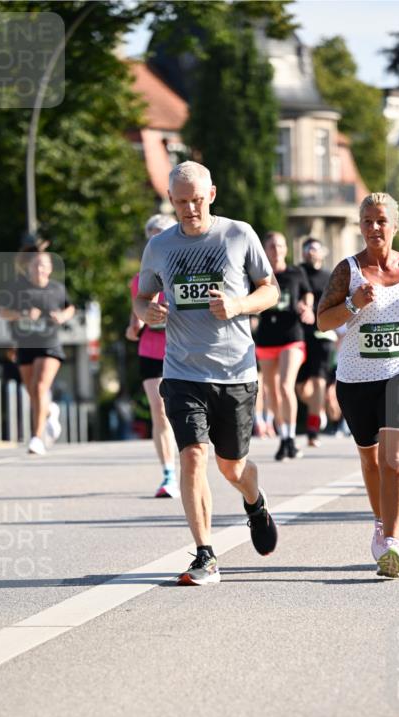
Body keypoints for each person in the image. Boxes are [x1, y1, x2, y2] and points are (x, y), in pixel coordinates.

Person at [134, 161, 280, 586]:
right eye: (181, 202)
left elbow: (270, 289)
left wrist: (237, 306)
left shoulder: (238, 234)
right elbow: (141, 299)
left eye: (196, 200)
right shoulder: (159, 246)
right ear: (171, 201)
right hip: (182, 371)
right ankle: (205, 555)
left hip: (235, 371)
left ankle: (254, 500)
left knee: (231, 467)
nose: (189, 209)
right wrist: (149, 313)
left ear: (211, 195)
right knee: (193, 456)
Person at [317, 192, 399, 578]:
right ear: (360, 226)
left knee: (395, 459)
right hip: (355, 379)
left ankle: (392, 543)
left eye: (381, 221)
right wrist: (353, 304)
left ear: (395, 226)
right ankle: (379, 522)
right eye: (367, 221)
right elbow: (322, 321)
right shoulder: (346, 270)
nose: (374, 228)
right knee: (370, 461)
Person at [126, 213, 180, 498]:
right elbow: (134, 322)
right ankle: (168, 473)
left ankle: (191, 455)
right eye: (152, 236)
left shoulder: (183, 273)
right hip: (150, 349)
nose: (155, 241)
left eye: (161, 234)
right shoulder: (140, 280)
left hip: (181, 348)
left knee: (181, 411)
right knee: (159, 411)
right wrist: (134, 327)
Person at [0, 251, 74, 455]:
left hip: (49, 344)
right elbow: (3, 312)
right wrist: (22, 314)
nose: (39, 269)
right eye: (35, 265)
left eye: (43, 265)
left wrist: (62, 316)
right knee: (33, 392)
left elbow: (70, 308)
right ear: (29, 268)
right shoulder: (18, 289)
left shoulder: (57, 289)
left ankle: (36, 438)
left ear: (50, 269)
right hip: (25, 344)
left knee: (40, 387)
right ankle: (50, 411)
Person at [255, 231, 314, 460]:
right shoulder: (258, 275)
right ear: (264, 250)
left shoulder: (295, 272)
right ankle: (283, 436)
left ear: (286, 250)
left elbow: (307, 293)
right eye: (271, 246)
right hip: (267, 338)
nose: (276, 250)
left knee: (285, 385)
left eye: (280, 246)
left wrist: (307, 307)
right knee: (271, 390)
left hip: (292, 336)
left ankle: (290, 437)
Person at [295, 237, 335, 447]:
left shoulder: (330, 277)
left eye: (315, 249)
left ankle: (312, 432)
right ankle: (317, 408)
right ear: (303, 253)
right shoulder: (297, 272)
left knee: (319, 381)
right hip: (300, 334)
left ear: (322, 253)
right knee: (301, 388)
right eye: (308, 249)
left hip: (323, 334)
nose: (311, 252)